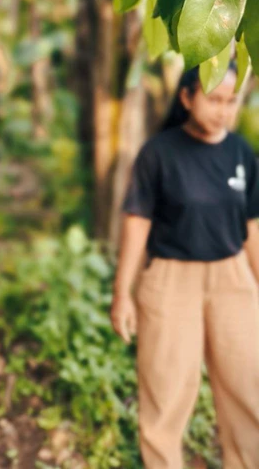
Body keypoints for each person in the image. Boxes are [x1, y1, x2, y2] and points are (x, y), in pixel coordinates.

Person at [111, 63, 259, 468]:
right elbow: (137, 223)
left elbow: (252, 229)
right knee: (166, 393)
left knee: (248, 391)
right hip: (170, 280)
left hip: (233, 281)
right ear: (187, 97)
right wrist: (122, 294)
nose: (223, 111)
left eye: (232, 102)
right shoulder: (158, 153)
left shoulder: (241, 153)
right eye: (214, 99)